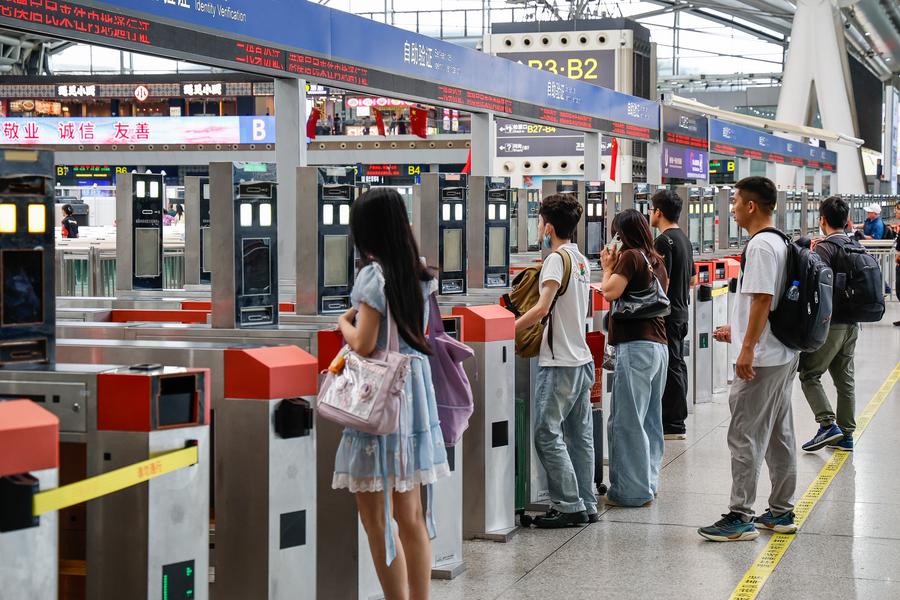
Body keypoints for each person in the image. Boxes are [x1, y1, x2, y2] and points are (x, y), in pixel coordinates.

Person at [333, 187, 450, 599]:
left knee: (376, 520)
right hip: (414, 394)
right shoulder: (418, 272)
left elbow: (364, 344)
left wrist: (342, 324)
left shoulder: (372, 276)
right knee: (412, 515)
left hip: (380, 398)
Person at [699, 176, 800, 542]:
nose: (734, 209)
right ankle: (781, 511)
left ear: (752, 206)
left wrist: (746, 348)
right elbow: (763, 303)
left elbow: (761, 299)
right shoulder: (781, 241)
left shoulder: (759, 246)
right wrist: (739, 331)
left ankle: (740, 515)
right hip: (782, 352)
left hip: (762, 357)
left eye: (737, 202)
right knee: (778, 432)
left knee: (744, 435)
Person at [514, 194, 596, 527]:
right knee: (579, 436)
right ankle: (586, 502)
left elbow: (542, 307)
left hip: (560, 361)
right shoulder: (580, 259)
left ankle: (567, 504)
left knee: (545, 433)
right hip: (581, 358)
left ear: (548, 227)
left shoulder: (555, 259)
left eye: (538, 221)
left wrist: (509, 328)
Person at [600, 208, 669, 508]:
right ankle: (648, 483)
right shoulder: (657, 261)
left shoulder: (630, 257)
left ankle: (630, 492)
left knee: (626, 421)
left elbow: (610, 292)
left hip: (637, 347)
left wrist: (606, 266)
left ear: (622, 234)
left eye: (616, 233)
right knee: (650, 420)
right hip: (659, 347)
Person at [798, 197, 858, 453]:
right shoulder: (855, 246)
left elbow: (814, 288)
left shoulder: (824, 249)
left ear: (822, 219)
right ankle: (846, 435)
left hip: (829, 324)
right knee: (845, 381)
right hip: (853, 325)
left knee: (809, 374)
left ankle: (827, 424)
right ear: (846, 220)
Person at [650, 189, 694, 440]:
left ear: (658, 212)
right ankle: (676, 418)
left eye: (652, 209)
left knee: (671, 366)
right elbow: (691, 278)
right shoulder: (684, 239)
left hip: (668, 314)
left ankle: (674, 423)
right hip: (682, 311)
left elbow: (660, 283)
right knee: (677, 363)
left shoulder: (663, 241)